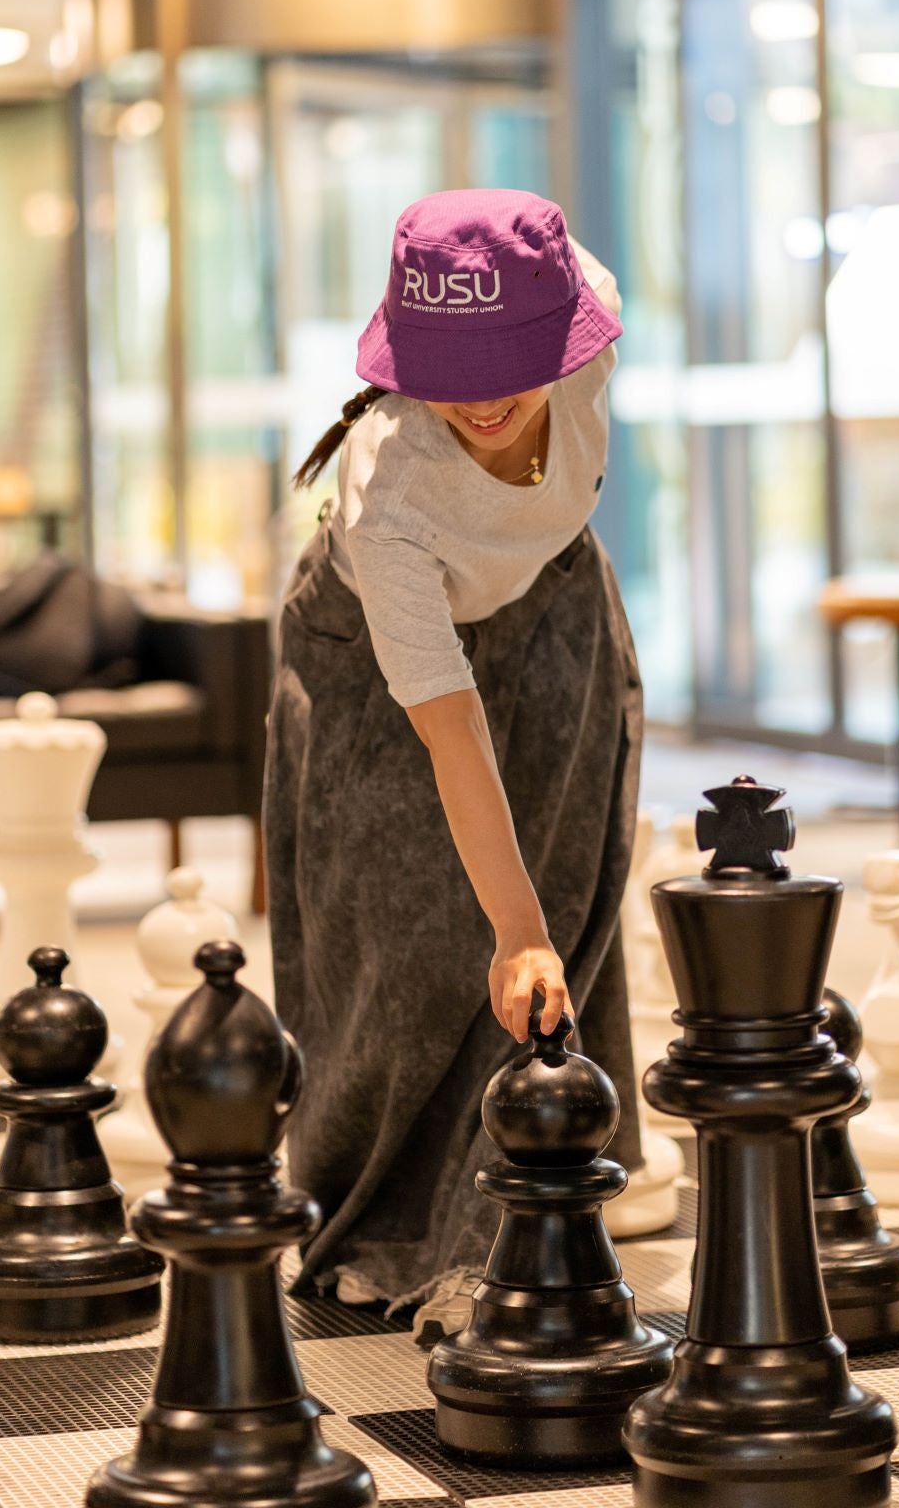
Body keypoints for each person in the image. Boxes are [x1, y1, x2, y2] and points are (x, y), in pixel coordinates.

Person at [263, 188, 645, 1332]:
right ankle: (376, 1225)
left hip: (554, 591)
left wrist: (534, 927)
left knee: (566, 889)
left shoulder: (587, 312)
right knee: (409, 940)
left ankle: (509, 1219)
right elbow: (449, 729)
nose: (480, 399)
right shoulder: (392, 493)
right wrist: (509, 927)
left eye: (506, 366)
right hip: (368, 646)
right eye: (448, 371)